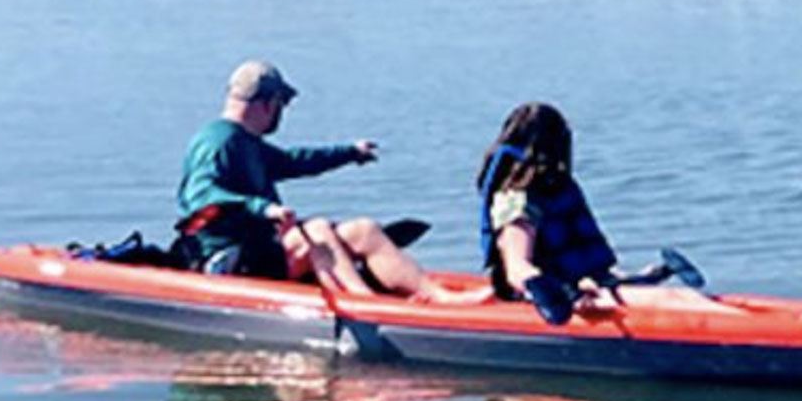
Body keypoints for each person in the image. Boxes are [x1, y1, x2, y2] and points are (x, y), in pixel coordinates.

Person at [176, 60, 443, 298]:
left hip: (265, 251)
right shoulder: (217, 142)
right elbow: (200, 195)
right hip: (233, 259)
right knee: (317, 230)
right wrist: (264, 208)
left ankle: (437, 296)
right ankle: (363, 303)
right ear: (269, 104)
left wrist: (349, 153)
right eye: (283, 104)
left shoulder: (247, 143)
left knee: (364, 231)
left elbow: (295, 161)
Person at [476, 103, 621, 310]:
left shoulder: (558, 187)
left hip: (585, 282)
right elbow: (517, 268)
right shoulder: (515, 200)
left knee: (666, 297)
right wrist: (564, 295)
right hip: (544, 294)